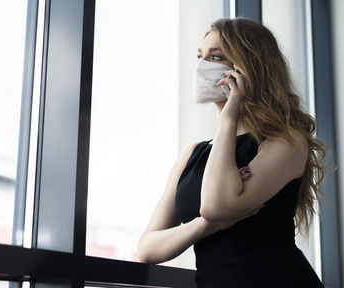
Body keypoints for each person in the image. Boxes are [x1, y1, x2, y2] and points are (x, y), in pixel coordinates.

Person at [136, 17, 328, 287]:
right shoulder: (193, 154)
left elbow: (216, 206)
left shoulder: (286, 140)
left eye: (215, 57)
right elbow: (146, 248)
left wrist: (228, 120)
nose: (201, 66)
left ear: (248, 68)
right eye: (200, 56)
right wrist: (203, 226)